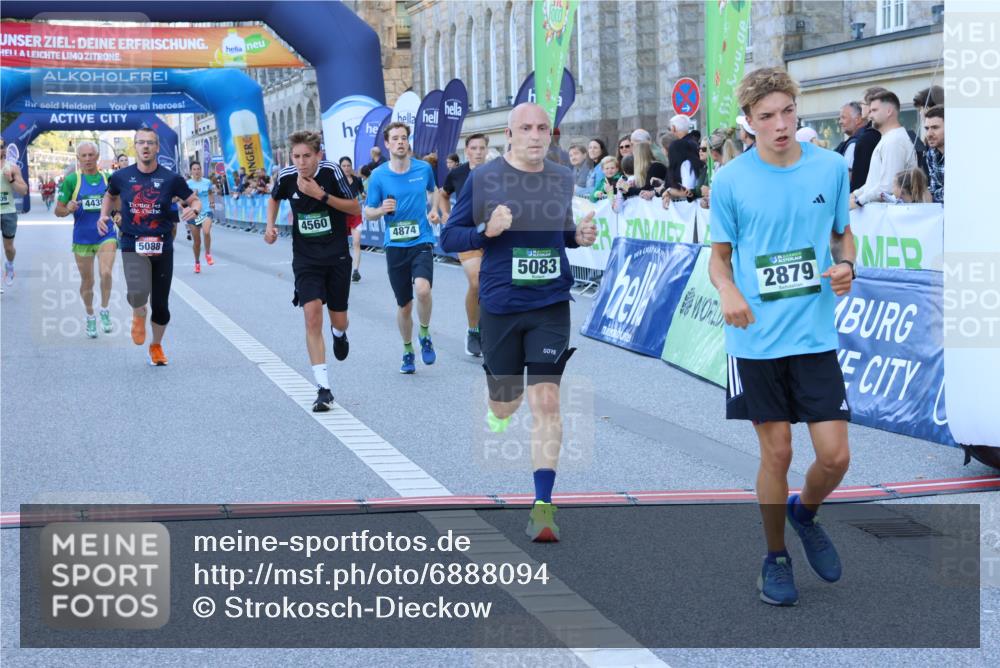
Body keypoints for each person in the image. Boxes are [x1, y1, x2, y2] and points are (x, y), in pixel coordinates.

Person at [708, 67, 855, 607]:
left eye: (787, 112)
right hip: (756, 342)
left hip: (814, 335)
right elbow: (718, 260)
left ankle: (805, 512)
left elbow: (843, 235)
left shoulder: (832, 167)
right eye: (766, 116)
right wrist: (727, 291)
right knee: (778, 453)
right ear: (748, 123)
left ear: (798, 110)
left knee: (836, 457)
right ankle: (775, 557)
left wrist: (846, 267)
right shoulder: (730, 181)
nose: (780, 124)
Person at [440, 102, 598, 542]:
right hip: (501, 304)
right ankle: (498, 411)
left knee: (546, 401)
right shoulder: (485, 177)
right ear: (509, 134)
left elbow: (558, 230)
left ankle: (542, 507)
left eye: (542, 128)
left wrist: (576, 237)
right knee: (505, 402)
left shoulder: (562, 176)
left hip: (550, 302)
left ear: (551, 134)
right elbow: (449, 236)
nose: (534, 135)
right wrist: (485, 231)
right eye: (525, 128)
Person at [265, 131, 359, 411]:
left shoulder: (331, 172)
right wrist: (270, 226)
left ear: (318, 155)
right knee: (311, 315)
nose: (302, 162)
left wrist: (322, 195)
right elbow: (274, 198)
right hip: (306, 259)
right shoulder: (285, 176)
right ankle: (323, 388)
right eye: (296, 157)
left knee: (339, 320)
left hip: (337, 256)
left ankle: (339, 334)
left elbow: (355, 206)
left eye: (307, 156)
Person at [98, 127, 201, 366]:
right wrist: (104, 215)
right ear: (135, 146)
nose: (145, 147)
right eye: (141, 142)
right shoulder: (121, 177)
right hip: (132, 243)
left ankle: (156, 346)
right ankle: (137, 312)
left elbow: (194, 198)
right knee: (137, 294)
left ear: (156, 147)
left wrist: (193, 208)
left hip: (162, 246)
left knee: (161, 305)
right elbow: (110, 195)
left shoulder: (171, 178)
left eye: (150, 143)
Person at [363, 122, 441, 374]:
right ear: (386, 144)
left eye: (404, 138)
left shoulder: (423, 168)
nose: (400, 142)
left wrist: (434, 210)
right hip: (395, 245)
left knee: (423, 288)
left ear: (408, 142)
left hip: (421, 241)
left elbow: (435, 190)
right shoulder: (378, 176)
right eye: (395, 138)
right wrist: (380, 210)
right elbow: (368, 211)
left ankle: (425, 334)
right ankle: (408, 350)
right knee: (405, 305)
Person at [55, 141, 117, 337]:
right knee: (87, 281)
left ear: (97, 157)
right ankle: (90, 316)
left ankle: (105, 310)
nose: (88, 159)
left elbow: (118, 206)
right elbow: (58, 211)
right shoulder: (72, 180)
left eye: (92, 155)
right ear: (78, 158)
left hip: (105, 234)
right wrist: (68, 208)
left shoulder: (108, 179)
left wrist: (118, 215)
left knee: (106, 273)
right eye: (84, 156)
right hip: (82, 237)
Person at [438, 133, 490, 356]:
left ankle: (493, 329)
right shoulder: (458, 173)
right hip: (465, 234)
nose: (478, 152)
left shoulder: (494, 172)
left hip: (491, 234)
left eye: (482, 148)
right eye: (474, 148)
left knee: (493, 283)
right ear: (466, 151)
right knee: (477, 281)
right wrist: (446, 214)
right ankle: (474, 330)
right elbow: (442, 194)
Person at [851, 90, 917, 208]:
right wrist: (855, 195)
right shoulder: (889, 138)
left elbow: (888, 187)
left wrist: (858, 201)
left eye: (874, 110)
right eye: (870, 111)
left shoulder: (894, 140)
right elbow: (876, 182)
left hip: (889, 216)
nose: (870, 116)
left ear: (889, 111)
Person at [1, 138, 29, 287]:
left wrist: (11, 180)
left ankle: (10, 265)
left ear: (4, 149)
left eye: (0, 146)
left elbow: (23, 190)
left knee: (8, 248)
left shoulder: (12, 168)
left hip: (8, 212)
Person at [185, 161, 217, 273]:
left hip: (206, 212)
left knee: (207, 232)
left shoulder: (207, 182)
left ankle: (208, 253)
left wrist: (212, 202)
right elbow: (183, 200)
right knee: (197, 241)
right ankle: (197, 262)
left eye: (198, 169)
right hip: (193, 213)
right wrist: (192, 195)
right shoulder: (187, 183)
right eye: (194, 169)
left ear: (201, 170)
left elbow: (210, 193)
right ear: (191, 171)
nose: (197, 171)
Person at [338, 155, 365, 282]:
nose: (346, 168)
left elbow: (363, 194)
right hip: (341, 215)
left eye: (348, 165)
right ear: (340, 167)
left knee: (356, 242)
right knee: (341, 245)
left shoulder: (357, 180)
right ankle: (342, 269)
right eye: (343, 166)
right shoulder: (336, 181)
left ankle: (355, 271)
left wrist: (364, 198)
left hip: (355, 214)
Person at [665, 114, 702, 200]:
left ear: (673, 128)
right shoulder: (694, 142)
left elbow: (676, 172)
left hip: (684, 194)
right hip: (696, 190)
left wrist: (669, 189)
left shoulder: (678, 146)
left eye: (670, 129)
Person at [922, 105, 944, 204]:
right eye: (927, 128)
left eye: (935, 127)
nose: (929, 134)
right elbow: (934, 188)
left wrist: (931, 196)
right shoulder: (931, 153)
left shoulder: (963, 154)